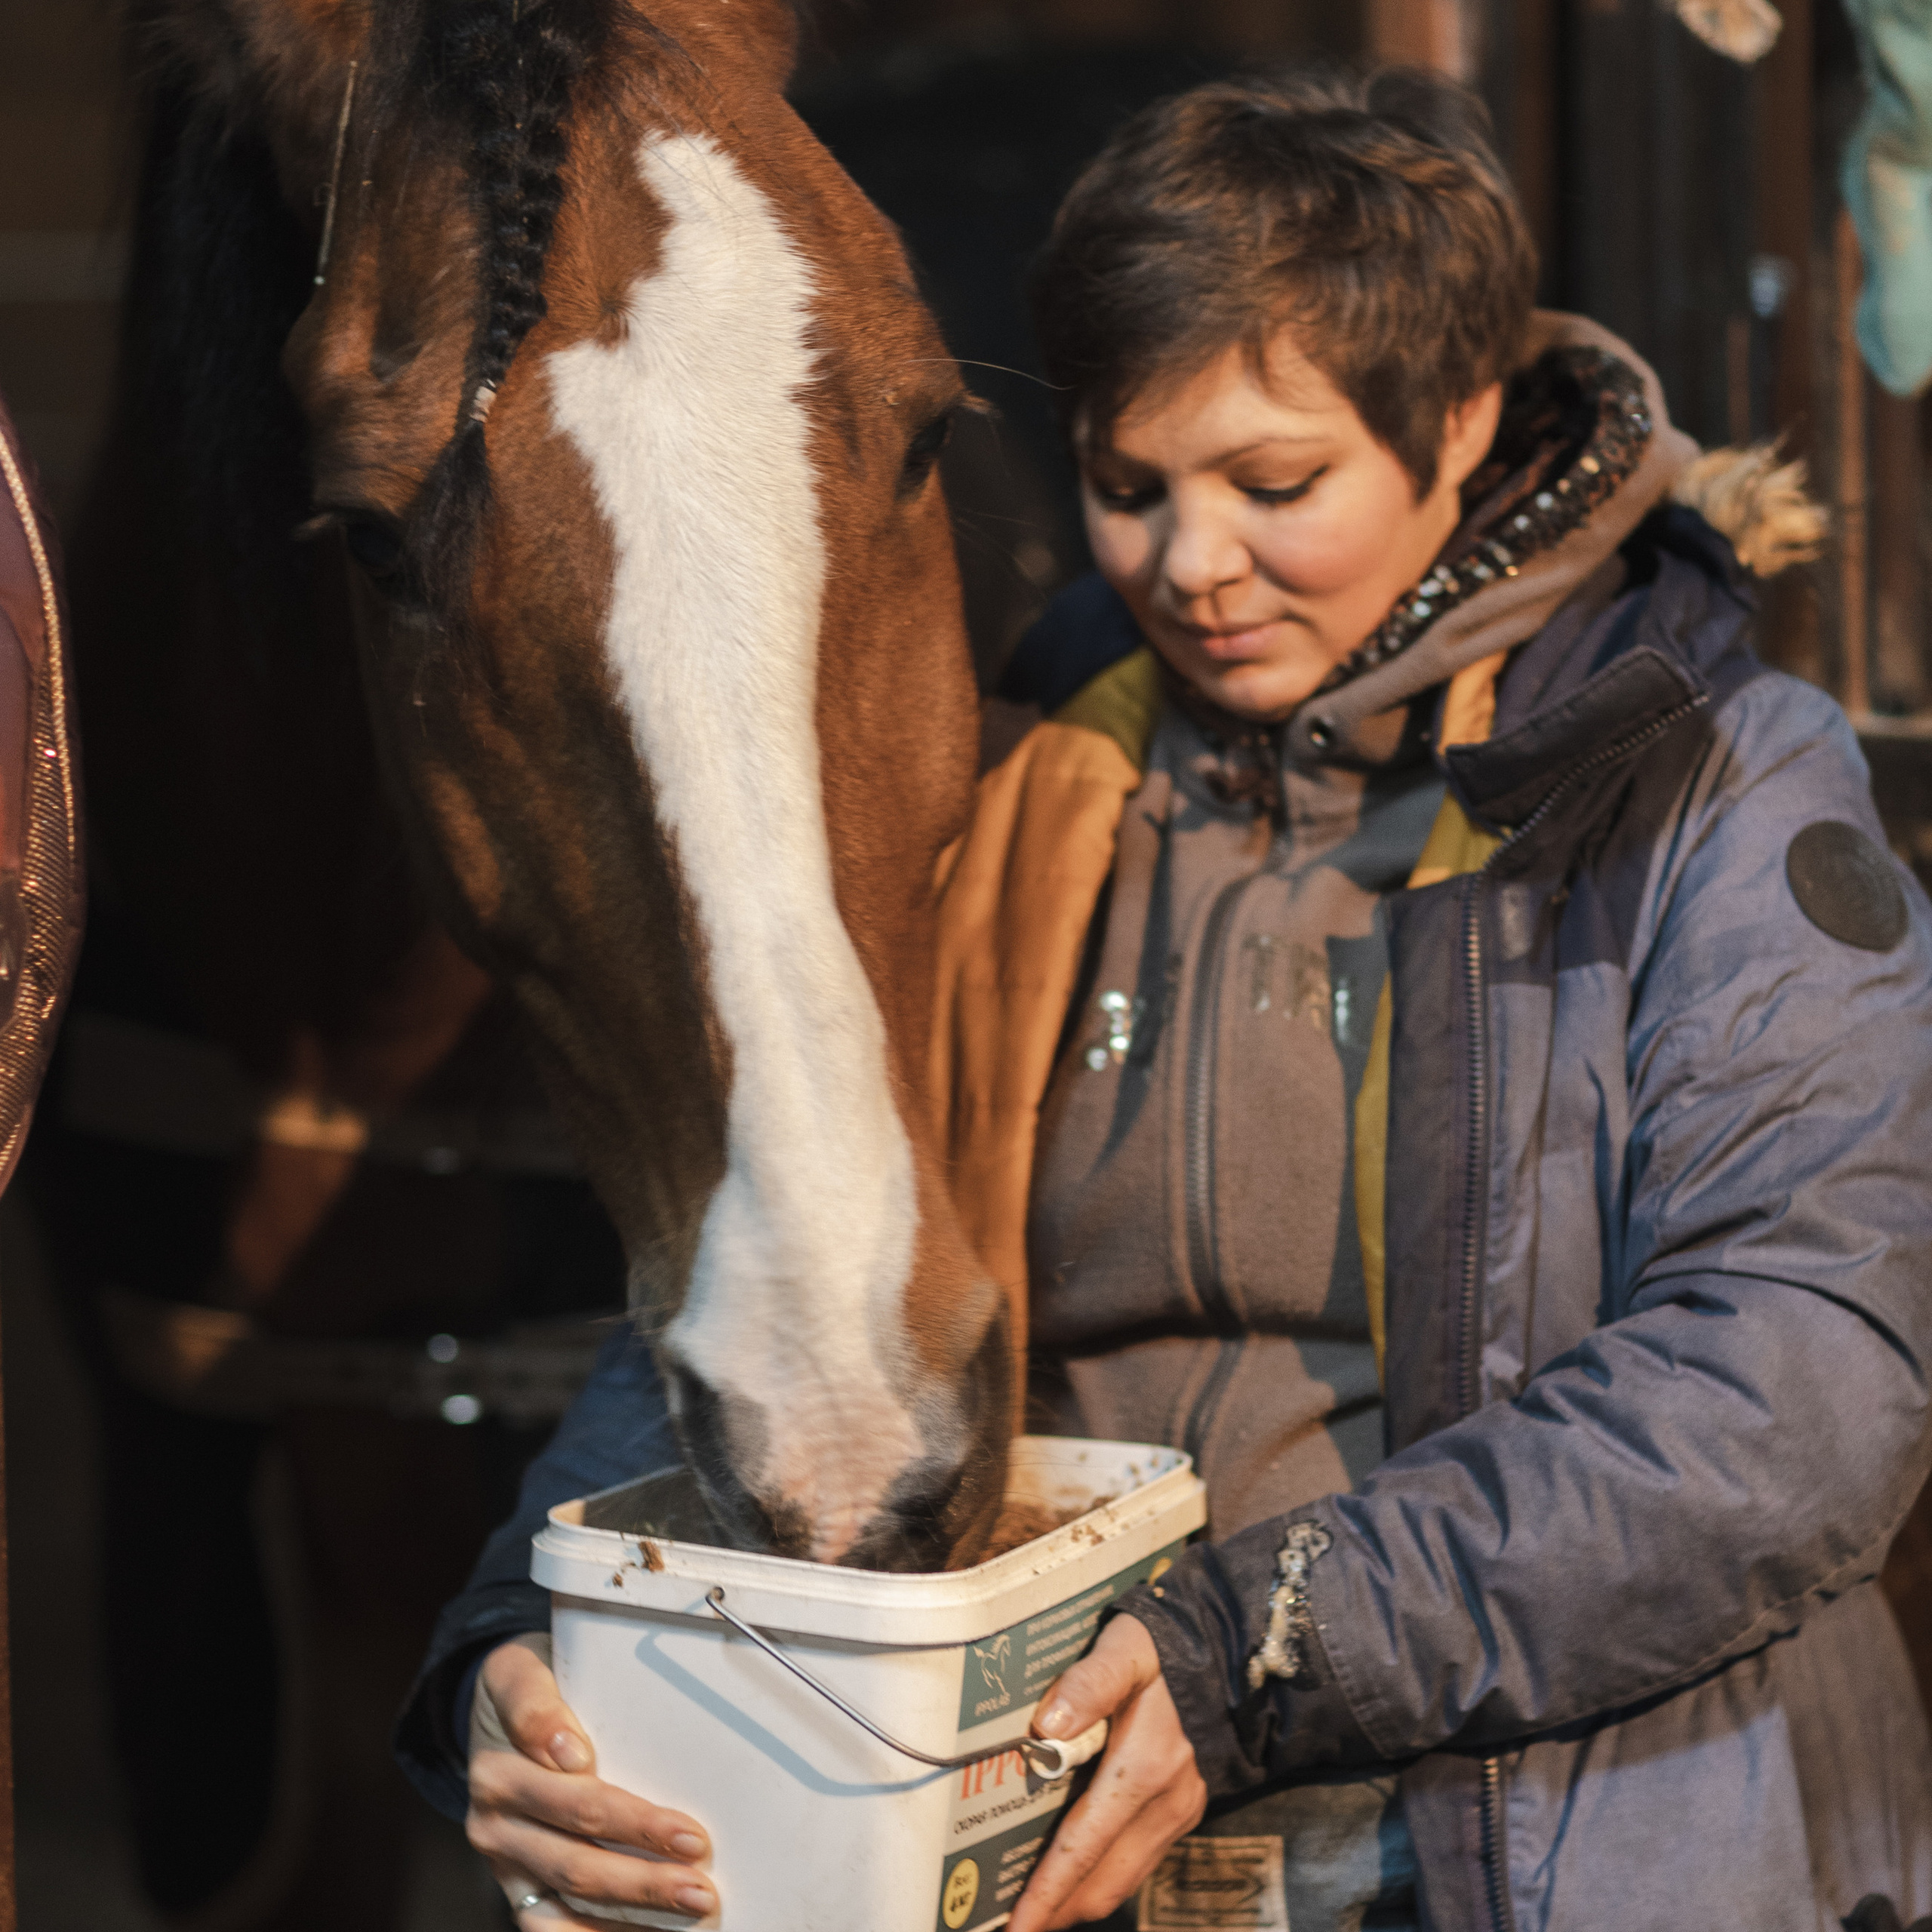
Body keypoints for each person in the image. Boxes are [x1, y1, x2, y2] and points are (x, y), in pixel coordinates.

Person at [396, 70, 1932, 1931]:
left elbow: (1794, 1383)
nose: (1188, 567)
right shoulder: (1030, 769)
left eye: (1271, 485)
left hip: (1559, 1864)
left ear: (1456, 419)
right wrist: (537, 1633)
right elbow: (786, 1270)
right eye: (1126, 489)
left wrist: (1256, 1651)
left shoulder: (1711, 782)